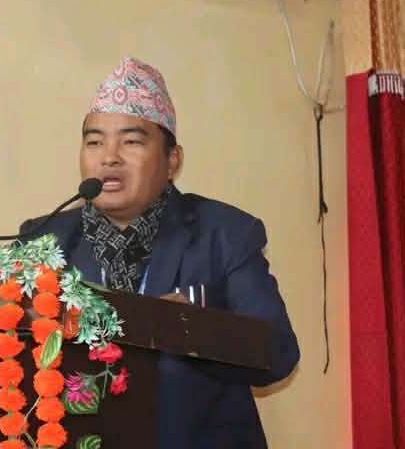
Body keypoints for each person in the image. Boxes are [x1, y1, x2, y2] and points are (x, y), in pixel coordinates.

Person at [20, 57, 299, 448]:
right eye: (94, 142)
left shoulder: (224, 234)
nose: (109, 157)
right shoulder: (45, 241)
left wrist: (187, 329)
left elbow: (280, 352)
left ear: (172, 161)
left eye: (131, 141)